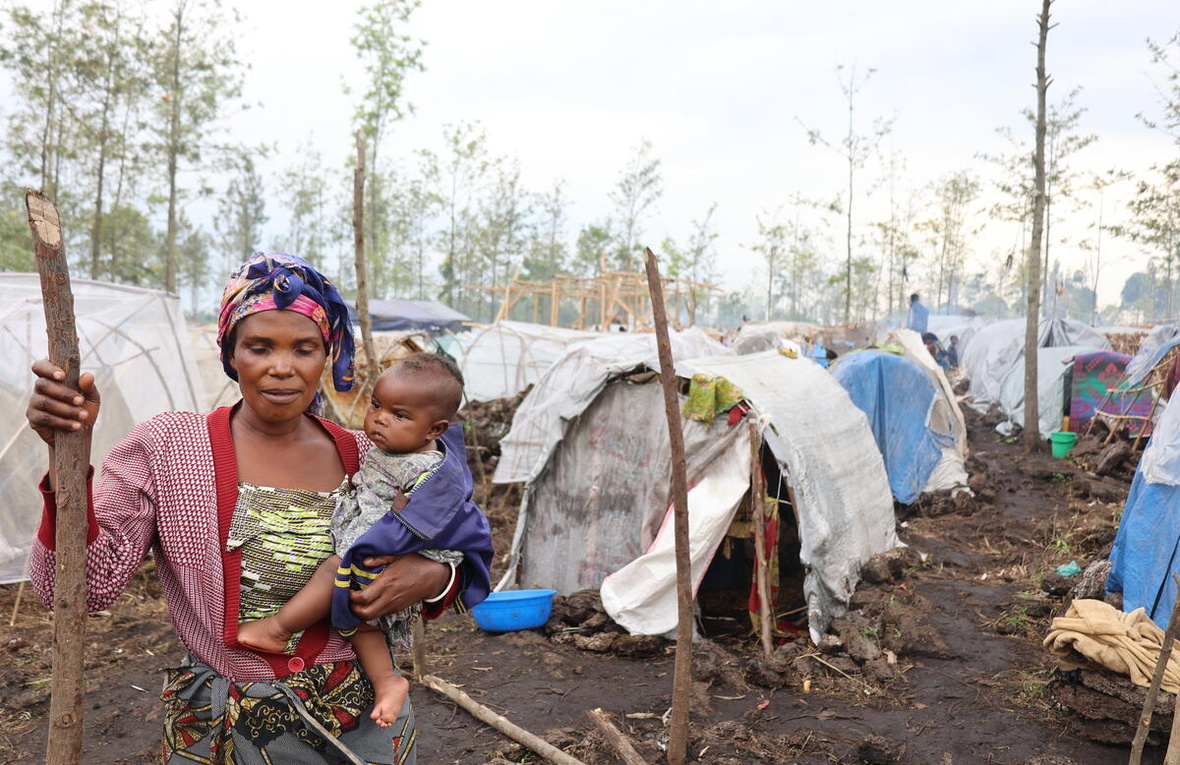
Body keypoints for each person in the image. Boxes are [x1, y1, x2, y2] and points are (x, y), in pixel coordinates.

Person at [25, 253, 493, 765]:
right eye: (259, 346)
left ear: (327, 355)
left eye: (305, 348)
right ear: (231, 352)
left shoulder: (372, 458)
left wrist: (434, 576)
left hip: (358, 723)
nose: (282, 366)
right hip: (217, 728)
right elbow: (78, 590)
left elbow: (449, 556)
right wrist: (68, 460)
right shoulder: (169, 448)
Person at [238, 351, 486, 729]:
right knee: (360, 626)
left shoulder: (430, 470)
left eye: (399, 415)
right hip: (374, 559)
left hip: (387, 559)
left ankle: (277, 629)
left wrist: (419, 559)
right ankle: (388, 680)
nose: (380, 418)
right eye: (376, 405)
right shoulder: (391, 447)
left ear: (435, 430)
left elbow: (450, 522)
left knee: (334, 572)